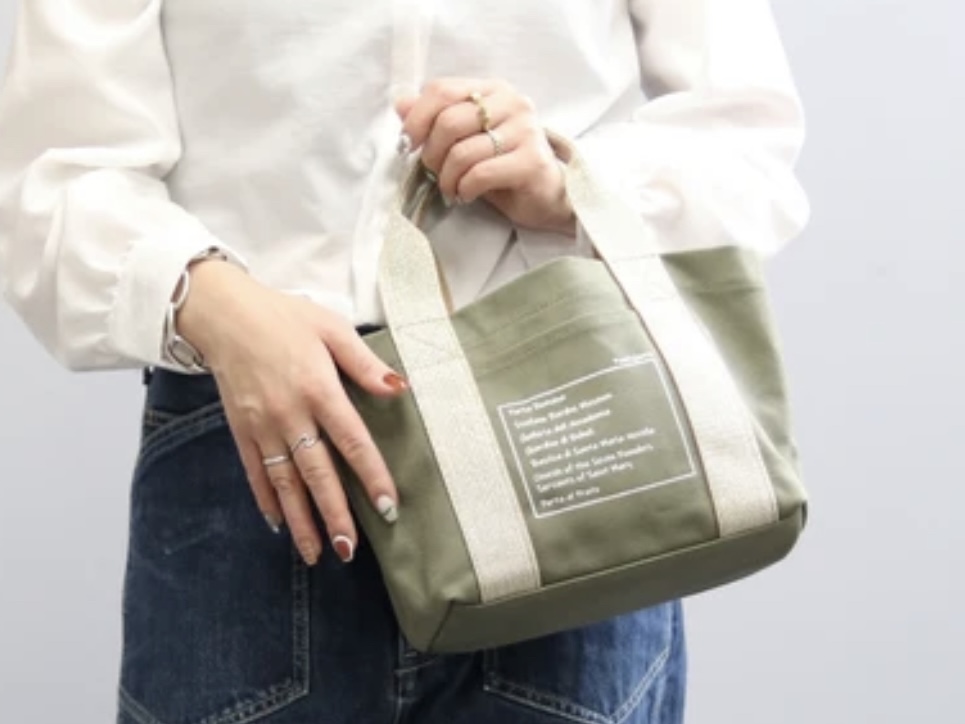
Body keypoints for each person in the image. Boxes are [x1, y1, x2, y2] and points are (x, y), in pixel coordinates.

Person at [0, 1, 808, 722]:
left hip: (556, 437)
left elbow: (744, 132)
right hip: (256, 441)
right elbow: (52, 173)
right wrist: (213, 301)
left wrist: (566, 181)